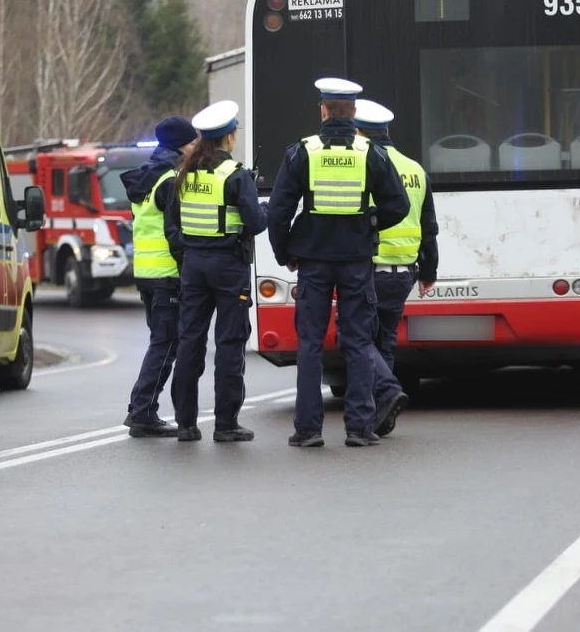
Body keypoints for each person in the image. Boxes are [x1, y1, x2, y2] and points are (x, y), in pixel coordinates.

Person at [267, 78, 410, 447]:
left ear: (323, 111)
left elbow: (280, 211)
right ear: (355, 113)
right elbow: (399, 206)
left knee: (310, 343)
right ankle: (359, 428)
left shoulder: (302, 152)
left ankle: (308, 430)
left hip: (313, 261)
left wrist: (285, 253)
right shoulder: (371, 153)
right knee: (360, 341)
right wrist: (369, 223)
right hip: (356, 262)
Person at [165, 100, 267, 443]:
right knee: (229, 342)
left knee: (190, 341)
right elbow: (256, 223)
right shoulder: (235, 175)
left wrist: (188, 255)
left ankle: (186, 424)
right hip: (228, 266)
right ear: (229, 137)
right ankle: (225, 424)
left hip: (193, 266)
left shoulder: (185, 173)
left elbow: (173, 225)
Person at [352, 98, 440, 437]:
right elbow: (428, 227)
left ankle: (386, 392)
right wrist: (429, 272)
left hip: (369, 268)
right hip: (404, 271)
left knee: (357, 336)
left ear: (361, 133)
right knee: (384, 340)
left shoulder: (365, 164)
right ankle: (381, 414)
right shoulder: (415, 169)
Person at [120, 115, 198, 438]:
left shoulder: (148, 175)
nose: (196, 147)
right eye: (193, 142)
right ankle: (142, 411)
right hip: (167, 275)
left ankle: (145, 409)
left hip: (147, 274)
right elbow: (177, 230)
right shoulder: (169, 179)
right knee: (165, 344)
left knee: (162, 342)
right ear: (182, 146)